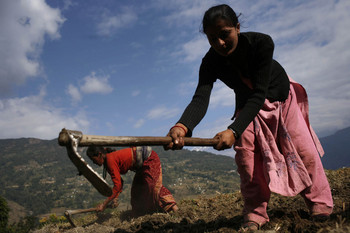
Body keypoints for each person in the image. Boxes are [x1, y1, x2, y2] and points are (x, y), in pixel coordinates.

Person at [164, 4, 333, 231]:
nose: (219, 44)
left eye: (225, 35)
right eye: (212, 39)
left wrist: (233, 131)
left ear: (237, 27)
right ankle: (255, 213)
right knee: (247, 160)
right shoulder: (210, 62)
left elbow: (259, 93)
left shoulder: (262, 43)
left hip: (281, 98)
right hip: (247, 106)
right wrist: (182, 126)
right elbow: (200, 98)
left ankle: (320, 205)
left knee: (304, 150)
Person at [86, 145, 178, 217]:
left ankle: (175, 210)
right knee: (136, 192)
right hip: (140, 167)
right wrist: (115, 198)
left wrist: (104, 204)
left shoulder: (110, 160)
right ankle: (140, 215)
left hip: (149, 159)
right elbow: (119, 182)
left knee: (153, 187)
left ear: (99, 154)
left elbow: (117, 186)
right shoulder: (108, 162)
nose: (93, 162)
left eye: (93, 159)